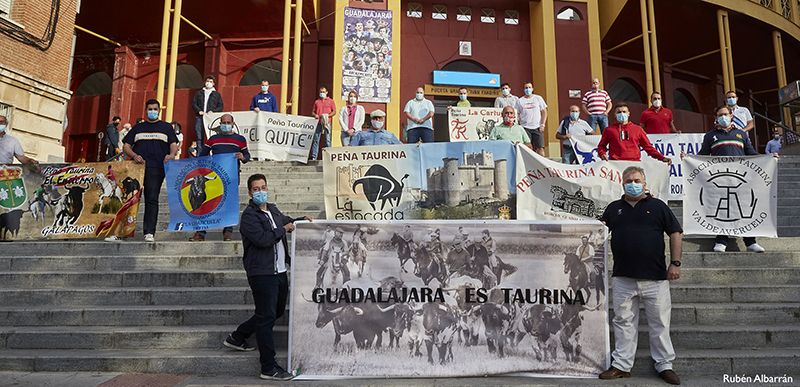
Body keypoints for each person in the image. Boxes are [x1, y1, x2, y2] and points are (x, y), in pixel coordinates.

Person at [598, 165, 682, 385]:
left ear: (645, 184)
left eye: (637, 180)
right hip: (623, 277)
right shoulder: (613, 208)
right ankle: (622, 365)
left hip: (655, 278)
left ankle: (664, 365)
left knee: (660, 323)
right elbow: (596, 234)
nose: (632, 184)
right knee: (623, 322)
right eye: (628, 181)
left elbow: (675, 232)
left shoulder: (658, 206)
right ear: (622, 183)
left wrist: (675, 263)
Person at [223, 173, 310, 381]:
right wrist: (283, 229)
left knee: (275, 311)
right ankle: (268, 367)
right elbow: (263, 239)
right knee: (266, 318)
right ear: (250, 192)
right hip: (261, 273)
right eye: (256, 189)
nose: (260, 191)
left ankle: (238, 336)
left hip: (279, 270)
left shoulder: (272, 209)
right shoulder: (249, 217)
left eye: (263, 187)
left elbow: (286, 221)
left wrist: (302, 221)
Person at [693, 105, 765, 253]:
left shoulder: (741, 134)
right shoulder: (710, 136)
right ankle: (721, 241)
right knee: (722, 210)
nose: (723, 117)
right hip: (720, 178)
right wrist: (688, 158)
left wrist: (768, 158)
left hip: (741, 178)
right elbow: (702, 156)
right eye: (720, 115)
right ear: (716, 118)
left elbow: (750, 153)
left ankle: (750, 242)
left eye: (725, 114)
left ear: (731, 115)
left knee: (744, 208)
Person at [118, 99, 179, 243]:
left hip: (156, 168)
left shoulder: (166, 127)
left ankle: (149, 232)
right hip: (136, 167)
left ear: (159, 110)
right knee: (129, 199)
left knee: (152, 199)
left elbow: (174, 144)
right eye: (150, 109)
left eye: (155, 109)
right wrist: (134, 155)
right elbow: (126, 146)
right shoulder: (138, 127)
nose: (152, 111)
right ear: (146, 111)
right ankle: (121, 231)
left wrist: (171, 155)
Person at [191, 114, 251, 242]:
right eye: (223, 122)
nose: (226, 124)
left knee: (229, 204)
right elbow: (203, 155)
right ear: (220, 123)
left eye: (228, 122)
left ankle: (228, 232)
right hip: (215, 176)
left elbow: (247, 156)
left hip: (232, 176)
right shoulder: (213, 139)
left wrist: (242, 157)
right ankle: (200, 232)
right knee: (206, 203)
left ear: (233, 123)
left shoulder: (240, 139)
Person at [597, 103, 671, 164]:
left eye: (624, 112)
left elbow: (648, 147)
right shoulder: (609, 130)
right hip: (616, 164)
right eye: (619, 112)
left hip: (634, 164)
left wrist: (662, 158)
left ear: (628, 114)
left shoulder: (638, 129)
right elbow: (601, 146)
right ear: (615, 114)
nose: (622, 114)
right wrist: (602, 154)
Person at [192, 75, 224, 150]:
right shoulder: (199, 93)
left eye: (210, 82)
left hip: (210, 118)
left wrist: (213, 112)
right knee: (199, 136)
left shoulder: (216, 94)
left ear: (213, 84)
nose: (208, 83)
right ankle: (200, 154)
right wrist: (199, 111)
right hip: (200, 117)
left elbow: (220, 106)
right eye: (207, 81)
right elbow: (194, 103)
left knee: (210, 135)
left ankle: (211, 152)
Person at [515, 82, 548, 155]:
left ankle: (542, 164)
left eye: (529, 87)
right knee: (527, 148)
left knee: (540, 148)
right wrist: (519, 125)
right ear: (524, 89)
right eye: (526, 88)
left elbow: (544, 112)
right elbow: (517, 113)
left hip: (537, 127)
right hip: (525, 128)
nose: (528, 89)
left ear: (532, 89)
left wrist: (543, 124)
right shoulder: (520, 101)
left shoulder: (538, 98)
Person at [310, 86, 336, 160]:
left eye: (323, 92)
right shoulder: (317, 102)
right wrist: (315, 115)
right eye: (321, 92)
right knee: (316, 140)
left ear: (327, 92)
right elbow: (313, 112)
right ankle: (314, 157)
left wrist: (327, 116)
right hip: (318, 123)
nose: (322, 93)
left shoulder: (331, 101)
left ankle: (329, 157)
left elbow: (334, 111)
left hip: (327, 123)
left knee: (327, 140)